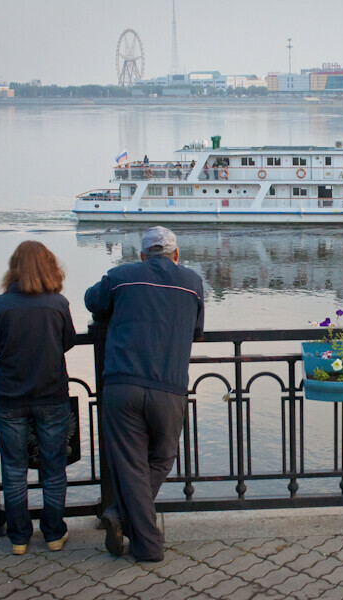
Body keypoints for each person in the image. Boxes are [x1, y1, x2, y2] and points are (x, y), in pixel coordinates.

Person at [85, 226, 204, 562]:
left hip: (123, 386)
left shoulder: (121, 276)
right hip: (169, 387)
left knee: (130, 463)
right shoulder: (193, 282)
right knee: (163, 457)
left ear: (141, 254)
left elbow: (92, 300)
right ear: (176, 255)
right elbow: (197, 331)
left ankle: (121, 516)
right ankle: (145, 543)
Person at [0, 241, 76, 555]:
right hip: (51, 394)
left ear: (14, 269)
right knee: (53, 467)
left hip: (9, 396)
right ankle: (53, 533)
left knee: (13, 468)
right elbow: (68, 342)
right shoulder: (58, 304)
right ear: (49, 266)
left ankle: (19, 537)